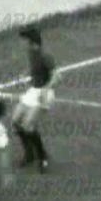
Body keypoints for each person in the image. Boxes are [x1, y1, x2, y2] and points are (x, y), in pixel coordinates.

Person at [12, 27, 59, 173]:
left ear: (32, 43)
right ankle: (29, 154)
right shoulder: (31, 53)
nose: (22, 44)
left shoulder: (45, 55)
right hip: (33, 91)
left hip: (45, 93)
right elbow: (33, 68)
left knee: (28, 125)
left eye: (25, 41)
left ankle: (42, 157)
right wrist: (25, 73)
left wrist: (45, 89)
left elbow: (57, 76)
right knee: (15, 121)